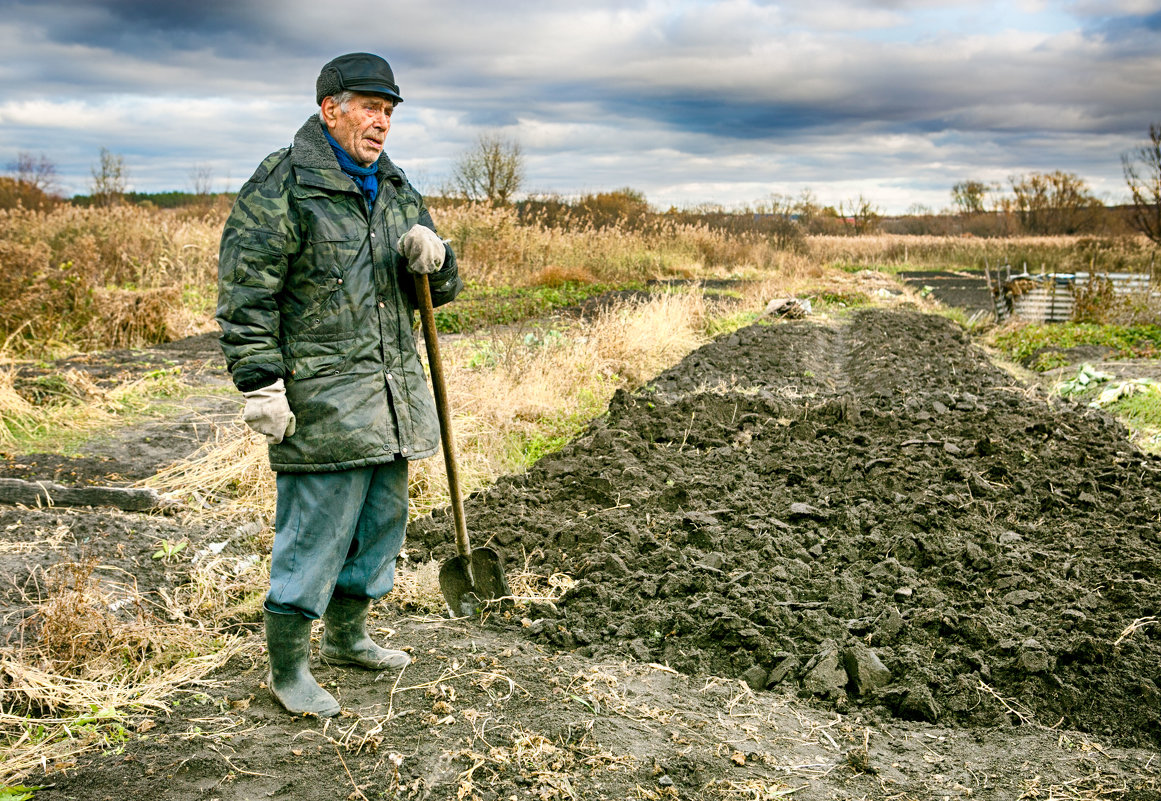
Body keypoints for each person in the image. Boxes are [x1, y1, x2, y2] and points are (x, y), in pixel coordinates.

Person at [216, 52, 463, 717]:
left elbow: (440, 288)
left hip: (390, 395)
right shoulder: (283, 183)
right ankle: (288, 665)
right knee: (314, 536)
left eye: (389, 111)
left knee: (381, 525)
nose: (381, 123)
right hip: (321, 398)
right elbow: (247, 294)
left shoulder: (396, 186)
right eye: (370, 108)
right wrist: (259, 382)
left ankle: (349, 637)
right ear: (331, 109)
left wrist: (435, 262)